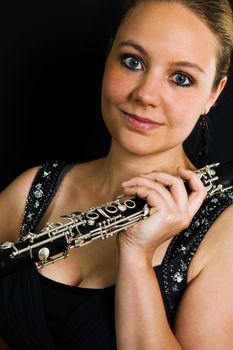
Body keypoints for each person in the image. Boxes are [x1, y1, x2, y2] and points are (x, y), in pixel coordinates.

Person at [0, 0, 233, 348]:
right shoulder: (32, 190)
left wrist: (137, 256)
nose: (146, 95)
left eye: (181, 78)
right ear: (109, 57)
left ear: (213, 94)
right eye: (133, 61)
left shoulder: (225, 232)